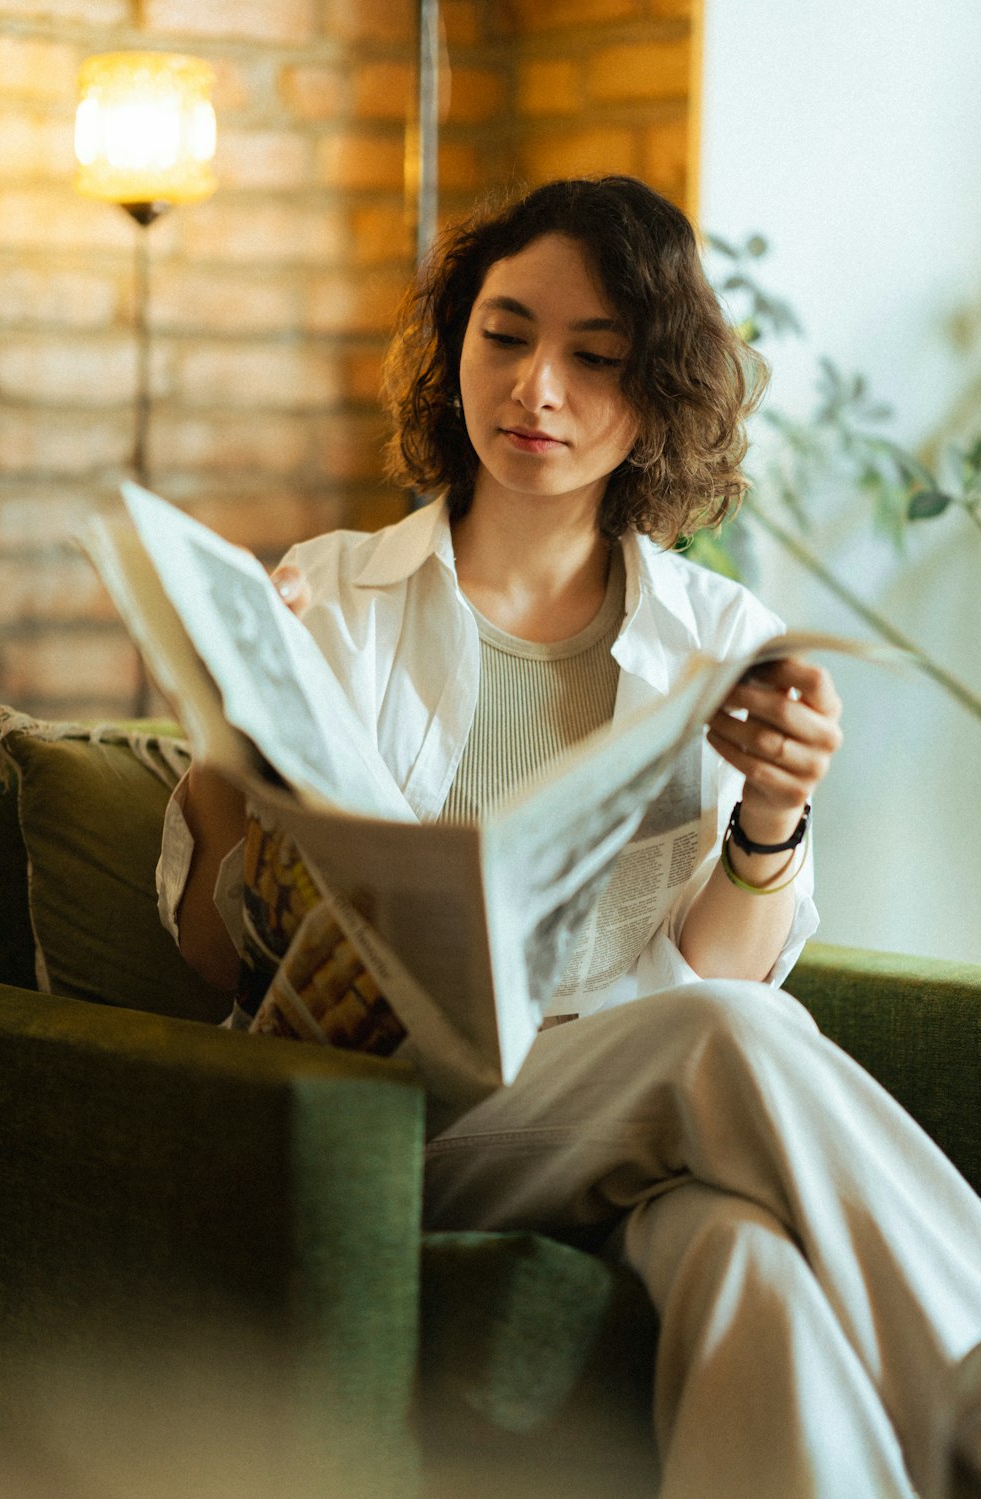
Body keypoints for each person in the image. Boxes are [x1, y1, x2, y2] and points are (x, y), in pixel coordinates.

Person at [156, 175, 981, 1499]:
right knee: (737, 1041)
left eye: (595, 359)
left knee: (743, 1256)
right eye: (504, 335)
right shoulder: (335, 599)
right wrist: (220, 759)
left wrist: (770, 823)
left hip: (625, 1106)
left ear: (655, 396)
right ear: (457, 347)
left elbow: (719, 970)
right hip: (395, 1129)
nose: (537, 388)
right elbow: (209, 961)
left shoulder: (719, 641)